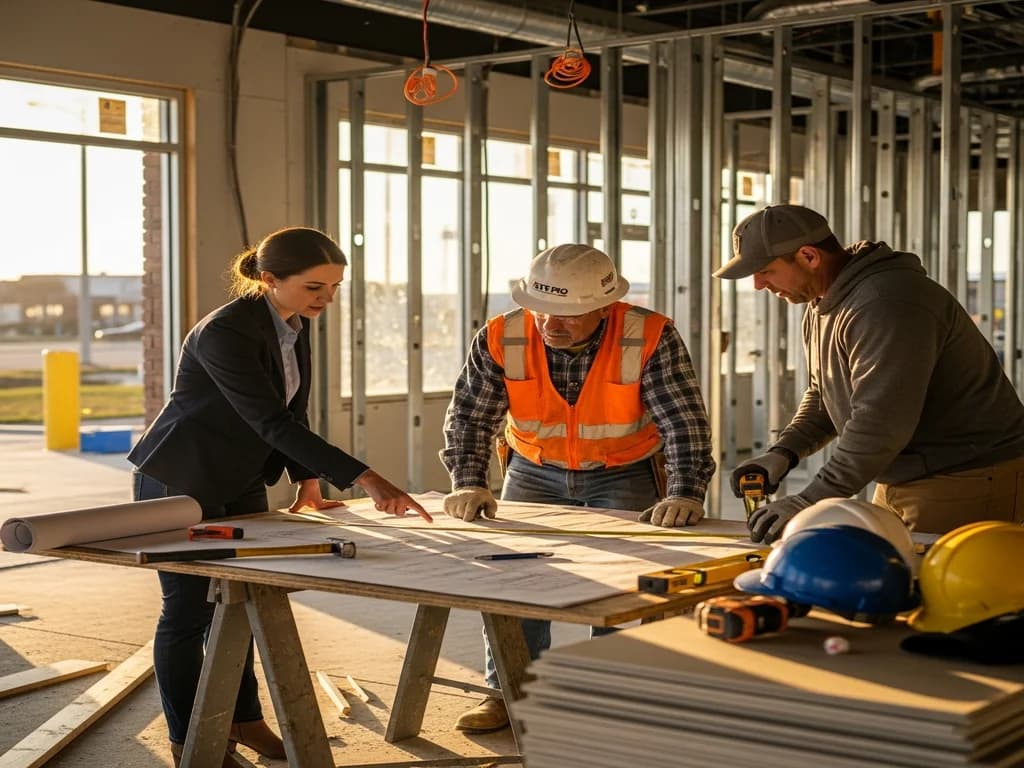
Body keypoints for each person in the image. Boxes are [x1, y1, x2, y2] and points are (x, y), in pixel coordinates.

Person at [128, 226, 432, 766]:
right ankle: (190, 740)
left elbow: (292, 412)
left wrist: (308, 482)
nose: (327, 299)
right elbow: (268, 420)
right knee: (188, 615)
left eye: (335, 287)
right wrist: (367, 477)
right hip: (180, 478)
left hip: (240, 477)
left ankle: (243, 721)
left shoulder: (293, 322)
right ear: (269, 280)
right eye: (316, 287)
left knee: (240, 603)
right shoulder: (226, 331)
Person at [441, 243, 715, 732]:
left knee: (623, 590)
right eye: (541, 309)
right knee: (516, 583)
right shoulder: (504, 334)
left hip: (624, 471)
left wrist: (685, 491)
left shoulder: (648, 334)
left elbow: (683, 421)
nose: (550, 324)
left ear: (605, 307)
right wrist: (468, 481)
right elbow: (469, 415)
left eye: (567, 314)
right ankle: (509, 694)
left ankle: (609, 697)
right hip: (533, 470)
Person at [715, 204, 1024, 544]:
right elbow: (823, 393)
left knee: (947, 591)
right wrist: (784, 452)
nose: (758, 284)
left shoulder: (887, 302)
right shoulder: (822, 304)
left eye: (765, 271)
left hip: (967, 476)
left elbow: (880, 423)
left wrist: (808, 499)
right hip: (902, 475)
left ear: (808, 256)